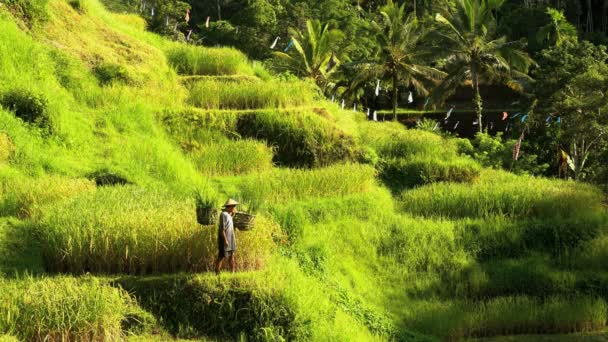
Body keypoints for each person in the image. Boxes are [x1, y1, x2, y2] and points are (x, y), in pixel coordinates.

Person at [215, 198, 238, 275]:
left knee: (231, 256)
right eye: (233, 206)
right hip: (224, 240)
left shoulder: (229, 215)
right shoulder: (223, 214)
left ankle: (232, 273)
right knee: (221, 256)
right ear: (229, 207)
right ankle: (217, 273)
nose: (234, 208)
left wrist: (233, 214)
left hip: (231, 239)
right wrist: (225, 240)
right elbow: (222, 229)